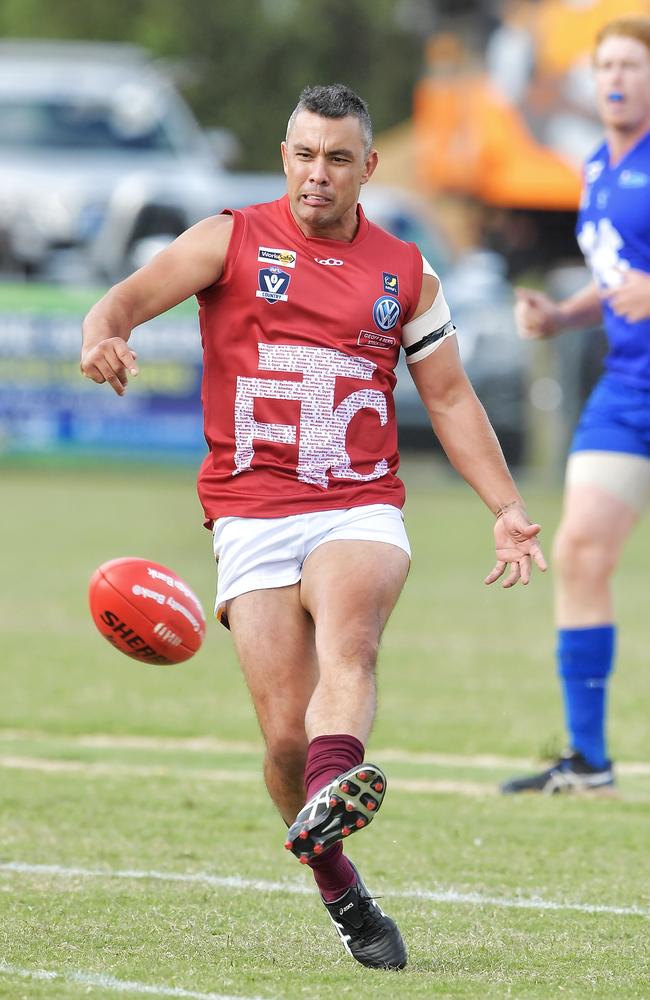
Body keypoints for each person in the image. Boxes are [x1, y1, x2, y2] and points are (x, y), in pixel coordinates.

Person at [80, 84, 546, 968]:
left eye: (338, 158)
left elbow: (448, 397)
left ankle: (338, 784)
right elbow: (124, 301)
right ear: (284, 153)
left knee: (351, 636)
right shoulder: (228, 238)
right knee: (285, 740)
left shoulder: (409, 274)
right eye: (303, 154)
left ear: (369, 167)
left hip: (358, 500)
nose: (317, 174)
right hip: (249, 511)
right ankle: (338, 879)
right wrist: (100, 336)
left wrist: (509, 509)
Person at [502, 17, 650, 795]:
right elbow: (621, 274)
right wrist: (562, 315)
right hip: (629, 389)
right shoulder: (598, 164)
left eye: (630, 63)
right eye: (606, 66)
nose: (616, 78)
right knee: (582, 549)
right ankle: (588, 760)